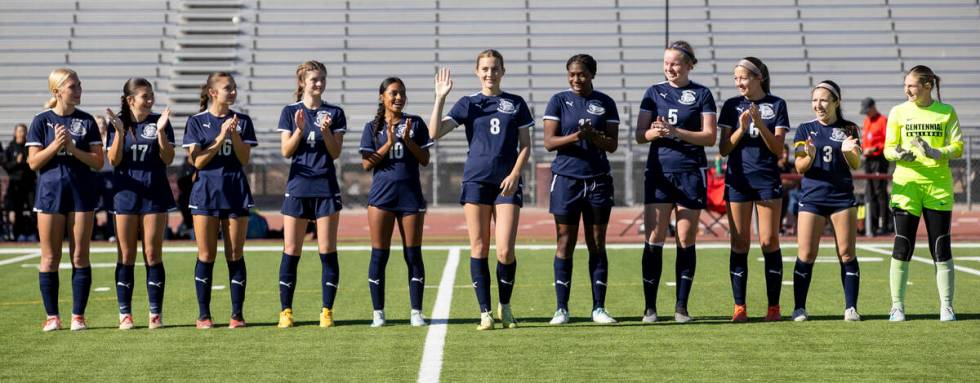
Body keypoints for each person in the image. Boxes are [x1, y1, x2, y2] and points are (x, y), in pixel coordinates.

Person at [429, 50, 533, 330]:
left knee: (505, 251)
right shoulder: (468, 103)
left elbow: (526, 146)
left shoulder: (516, 103)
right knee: (479, 247)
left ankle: (506, 306)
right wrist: (441, 97)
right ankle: (485, 312)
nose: (490, 73)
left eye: (495, 68)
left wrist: (514, 174)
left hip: (506, 183)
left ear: (503, 70)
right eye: (485, 69)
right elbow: (433, 133)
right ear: (477, 71)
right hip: (476, 181)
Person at [634, 41, 717, 323]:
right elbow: (639, 134)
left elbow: (709, 137)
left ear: (689, 65)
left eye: (676, 63)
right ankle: (650, 309)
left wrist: (676, 131)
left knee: (685, 238)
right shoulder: (653, 92)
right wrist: (655, 133)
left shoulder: (702, 93)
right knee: (654, 237)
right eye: (666, 62)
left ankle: (681, 308)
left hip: (690, 172)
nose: (670, 68)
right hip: (659, 173)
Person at [541, 54, 619, 325]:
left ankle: (599, 308)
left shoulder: (606, 102)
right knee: (565, 241)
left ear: (592, 74)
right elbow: (549, 142)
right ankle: (561, 308)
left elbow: (612, 145)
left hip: (598, 180)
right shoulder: (558, 101)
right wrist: (577, 136)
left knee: (597, 242)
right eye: (572, 74)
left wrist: (594, 137)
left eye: (582, 74)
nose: (576, 79)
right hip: (566, 179)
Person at [27, 68, 105, 331]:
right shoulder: (41, 121)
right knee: (50, 257)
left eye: (79, 85)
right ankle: (52, 317)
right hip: (50, 194)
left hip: (81, 193)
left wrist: (72, 148)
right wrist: (55, 146)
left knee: (80, 256)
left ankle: (78, 317)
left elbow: (98, 161)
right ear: (57, 91)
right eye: (73, 86)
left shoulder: (87, 121)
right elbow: (33, 162)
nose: (79, 89)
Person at [884, 65, 963, 322]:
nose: (907, 90)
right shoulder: (898, 112)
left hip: (938, 186)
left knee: (940, 245)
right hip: (906, 186)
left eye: (912, 85)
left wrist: (939, 153)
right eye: (905, 85)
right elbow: (888, 148)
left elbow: (958, 145)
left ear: (927, 86)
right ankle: (897, 306)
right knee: (902, 243)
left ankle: (947, 306)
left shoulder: (946, 112)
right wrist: (899, 154)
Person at [182, 72, 258, 329]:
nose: (233, 92)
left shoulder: (243, 121)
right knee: (206, 254)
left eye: (234, 87)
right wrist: (219, 138)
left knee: (235, 254)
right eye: (228, 88)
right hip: (205, 194)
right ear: (213, 92)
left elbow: (244, 159)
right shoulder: (196, 121)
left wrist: (234, 135)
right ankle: (204, 315)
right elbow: (198, 161)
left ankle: (237, 315)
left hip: (235, 191)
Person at [717, 57, 789, 322]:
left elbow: (779, 149)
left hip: (767, 180)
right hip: (738, 181)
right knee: (740, 242)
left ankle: (773, 307)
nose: (739, 83)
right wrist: (742, 128)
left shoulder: (777, 104)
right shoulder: (731, 106)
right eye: (736, 78)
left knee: (769, 241)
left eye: (743, 78)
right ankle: (739, 307)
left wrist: (759, 124)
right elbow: (723, 149)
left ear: (759, 78)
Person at [276, 60, 346, 329]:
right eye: (314, 79)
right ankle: (286, 311)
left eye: (322, 79)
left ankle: (326, 311)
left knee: (327, 249)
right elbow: (287, 151)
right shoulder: (290, 111)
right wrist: (299, 129)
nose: (318, 83)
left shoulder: (335, 112)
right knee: (292, 250)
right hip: (298, 188)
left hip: (326, 188)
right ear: (302, 82)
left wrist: (326, 130)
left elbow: (335, 152)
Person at [360, 77, 432, 327]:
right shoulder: (372, 127)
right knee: (379, 255)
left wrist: (409, 140)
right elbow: (367, 164)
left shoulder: (416, 123)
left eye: (402, 93)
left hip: (411, 196)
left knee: (413, 254)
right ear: (382, 97)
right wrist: (389, 142)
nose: (398, 97)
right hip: (381, 197)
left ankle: (416, 312)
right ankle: (378, 312)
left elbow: (425, 159)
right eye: (393, 93)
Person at [105, 78, 176, 329]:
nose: (150, 100)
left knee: (152, 253)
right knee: (125, 254)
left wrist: (160, 133)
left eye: (151, 95)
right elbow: (113, 161)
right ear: (130, 99)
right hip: (125, 196)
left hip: (155, 194)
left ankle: (155, 313)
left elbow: (168, 158)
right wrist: (119, 133)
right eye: (144, 96)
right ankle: (125, 314)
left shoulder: (160, 122)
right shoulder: (118, 124)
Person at [791, 80, 862, 322]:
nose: (818, 105)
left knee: (846, 253)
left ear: (836, 102)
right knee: (806, 254)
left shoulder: (850, 128)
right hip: (812, 198)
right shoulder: (804, 129)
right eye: (814, 100)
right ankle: (799, 308)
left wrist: (848, 150)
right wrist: (808, 157)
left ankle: (851, 308)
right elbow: (799, 167)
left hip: (842, 197)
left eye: (823, 100)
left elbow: (856, 164)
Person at [860, 97, 892, 236]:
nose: (866, 114)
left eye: (868, 111)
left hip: (879, 159)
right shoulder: (866, 121)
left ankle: (884, 224)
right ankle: (872, 225)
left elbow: (888, 140)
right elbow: (864, 140)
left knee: (880, 192)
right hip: (868, 160)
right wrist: (864, 149)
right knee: (870, 192)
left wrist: (875, 148)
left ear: (873, 107)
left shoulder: (883, 120)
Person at [3, 123, 37, 241]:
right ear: (15, 133)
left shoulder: (30, 148)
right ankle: (17, 236)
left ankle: (35, 235)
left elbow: (35, 165)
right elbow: (6, 166)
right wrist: (17, 162)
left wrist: (30, 161)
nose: (22, 134)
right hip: (15, 185)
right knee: (17, 211)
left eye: (24, 131)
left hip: (29, 184)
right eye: (20, 131)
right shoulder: (10, 148)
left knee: (34, 210)